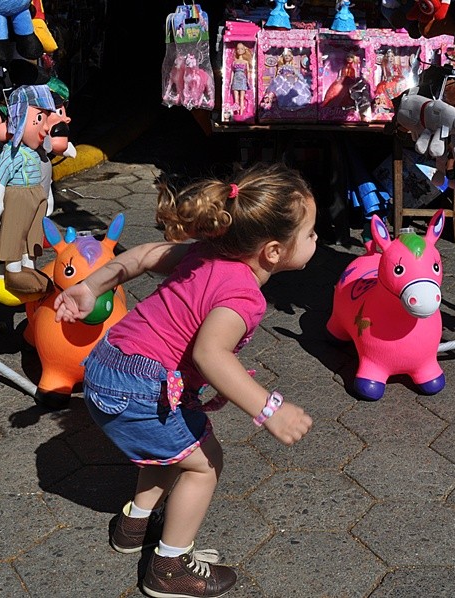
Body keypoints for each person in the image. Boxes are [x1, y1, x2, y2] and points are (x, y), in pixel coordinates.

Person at [54, 163, 316, 598]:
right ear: (272, 251)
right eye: (310, 234)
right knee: (204, 463)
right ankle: (169, 568)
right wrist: (270, 409)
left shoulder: (205, 251)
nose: (315, 240)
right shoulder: (244, 296)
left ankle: (134, 525)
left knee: (171, 449)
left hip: (107, 364)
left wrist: (91, 287)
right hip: (141, 385)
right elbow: (209, 354)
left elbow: (138, 257)